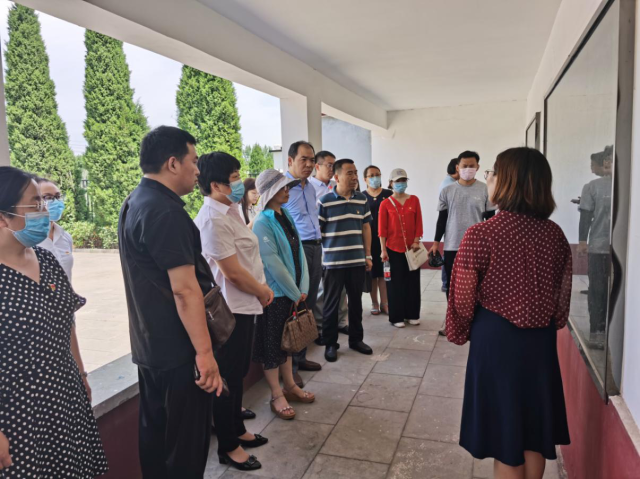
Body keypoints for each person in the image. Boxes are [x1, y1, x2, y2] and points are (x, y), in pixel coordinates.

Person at [446, 147, 571, 479]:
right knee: (534, 431)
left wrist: (460, 329)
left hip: (496, 339)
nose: (487, 178)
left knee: (505, 434)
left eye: (492, 172)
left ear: (508, 182)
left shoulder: (481, 234)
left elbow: (462, 299)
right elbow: (561, 299)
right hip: (540, 341)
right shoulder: (555, 235)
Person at [118, 126, 223, 478]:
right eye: (194, 161)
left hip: (152, 346)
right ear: (173, 163)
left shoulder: (136, 200)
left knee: (157, 439)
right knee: (185, 448)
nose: (197, 170)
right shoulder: (164, 211)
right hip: (179, 351)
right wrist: (204, 354)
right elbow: (184, 290)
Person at [0, 167, 108, 477]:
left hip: (64, 393)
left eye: (44, 202)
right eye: (35, 204)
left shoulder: (46, 260)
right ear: (3, 217)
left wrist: (81, 373)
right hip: (17, 413)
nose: (44, 211)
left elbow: (66, 322)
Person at [194, 152, 274, 471]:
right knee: (226, 378)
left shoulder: (229, 210)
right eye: (235, 177)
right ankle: (228, 446)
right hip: (228, 311)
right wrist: (263, 291)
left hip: (244, 305)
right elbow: (232, 272)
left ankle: (237, 429)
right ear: (215, 185)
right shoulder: (212, 219)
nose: (240, 182)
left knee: (238, 372)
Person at [252, 169, 316, 420]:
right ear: (270, 192)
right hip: (276, 294)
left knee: (287, 343)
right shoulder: (262, 222)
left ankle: (290, 386)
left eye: (288, 186)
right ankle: (276, 394)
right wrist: (294, 291)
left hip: (292, 292)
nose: (288, 191)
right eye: (282, 188)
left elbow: (298, 252)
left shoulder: (285, 214)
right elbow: (273, 263)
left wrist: (303, 287)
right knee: (272, 348)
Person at [35, 176, 92, 402]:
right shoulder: (28, 240)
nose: (55, 202)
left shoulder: (64, 236)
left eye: (57, 197)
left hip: (64, 311)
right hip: (39, 320)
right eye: (47, 197)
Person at [429, 150, 495, 335]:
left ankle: (476, 322)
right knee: (452, 286)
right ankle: (452, 321)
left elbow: (490, 219)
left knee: (477, 285)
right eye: (464, 166)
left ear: (478, 167)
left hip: (477, 247)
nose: (468, 169)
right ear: (457, 167)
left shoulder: (485, 190)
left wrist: (491, 245)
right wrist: (436, 242)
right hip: (452, 245)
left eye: (471, 166)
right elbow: (442, 219)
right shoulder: (447, 191)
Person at [318, 159, 373, 362]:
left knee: (356, 303)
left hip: (357, 261)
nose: (354, 177)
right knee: (331, 305)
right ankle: (330, 343)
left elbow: (366, 227)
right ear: (337, 176)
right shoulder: (324, 202)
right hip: (333, 263)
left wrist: (368, 255)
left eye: (355, 173)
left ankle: (356, 340)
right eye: (350, 173)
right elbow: (318, 232)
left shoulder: (361, 199)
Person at [282, 141, 324, 385]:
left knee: (308, 302)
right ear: (290, 161)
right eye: (303, 160)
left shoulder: (310, 187)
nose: (309, 164)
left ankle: (302, 355)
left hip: (316, 247)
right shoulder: (282, 188)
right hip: (296, 250)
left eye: (312, 160)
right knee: (295, 304)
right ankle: (291, 367)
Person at [308, 150, 348, 339]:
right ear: (317, 166)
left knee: (342, 284)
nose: (333, 168)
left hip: (339, 241)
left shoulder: (335, 186)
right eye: (329, 165)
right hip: (321, 243)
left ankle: (341, 321)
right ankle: (320, 325)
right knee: (322, 287)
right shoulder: (309, 188)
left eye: (334, 165)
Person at [578, 146, 613, 350]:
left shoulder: (594, 187)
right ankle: (603, 333)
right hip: (606, 248)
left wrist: (583, 242)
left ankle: (604, 333)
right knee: (603, 291)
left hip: (608, 249)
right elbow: (585, 216)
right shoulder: (593, 186)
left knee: (603, 291)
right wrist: (583, 242)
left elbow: (585, 216)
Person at [379, 168, 424, 328]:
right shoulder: (385, 203)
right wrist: (383, 250)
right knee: (394, 284)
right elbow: (382, 229)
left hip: (412, 249)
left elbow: (418, 222)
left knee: (413, 282)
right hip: (393, 248)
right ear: (391, 183)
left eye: (403, 180)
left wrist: (416, 240)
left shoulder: (414, 200)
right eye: (398, 181)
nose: (401, 183)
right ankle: (396, 317)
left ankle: (412, 314)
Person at [362, 165, 392, 315]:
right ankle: (374, 302)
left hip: (386, 240)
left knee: (384, 272)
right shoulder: (361, 196)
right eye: (371, 175)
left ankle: (385, 303)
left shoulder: (389, 194)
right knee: (372, 273)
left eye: (378, 174)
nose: (375, 178)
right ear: (365, 179)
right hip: (369, 240)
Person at [438, 158, 460, 292]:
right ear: (456, 168)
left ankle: (446, 283)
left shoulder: (447, 182)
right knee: (448, 256)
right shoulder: (450, 185)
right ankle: (446, 283)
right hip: (451, 225)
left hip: (450, 224)